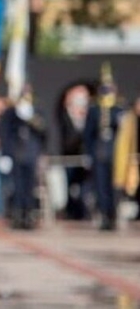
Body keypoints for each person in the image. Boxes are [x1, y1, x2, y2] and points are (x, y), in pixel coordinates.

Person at [83, 66, 126, 231]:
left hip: (115, 153)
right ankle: (104, 215)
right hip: (99, 152)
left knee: (114, 187)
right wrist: (88, 154)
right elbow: (88, 134)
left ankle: (113, 214)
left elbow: (124, 133)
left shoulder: (118, 109)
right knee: (100, 186)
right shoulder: (94, 110)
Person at [0, 89, 46, 230]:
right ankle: (17, 216)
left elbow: (43, 133)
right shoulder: (11, 113)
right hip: (16, 154)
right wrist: (5, 154)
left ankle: (29, 215)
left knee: (30, 187)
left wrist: (31, 119)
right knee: (17, 187)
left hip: (31, 154)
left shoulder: (36, 112)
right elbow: (5, 134)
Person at [58, 84, 92, 220]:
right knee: (69, 186)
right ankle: (71, 211)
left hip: (85, 156)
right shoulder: (65, 115)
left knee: (85, 186)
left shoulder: (90, 115)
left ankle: (84, 211)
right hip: (69, 157)